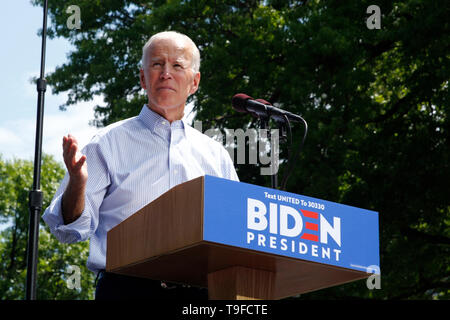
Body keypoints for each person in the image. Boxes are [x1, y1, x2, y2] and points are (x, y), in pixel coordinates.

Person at [43, 31, 239, 300]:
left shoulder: (216, 155)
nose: (166, 73)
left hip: (201, 294)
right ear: (143, 78)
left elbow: (235, 234)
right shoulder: (106, 143)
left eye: (177, 65)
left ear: (194, 82)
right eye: (157, 64)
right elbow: (69, 230)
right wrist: (77, 182)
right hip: (127, 290)